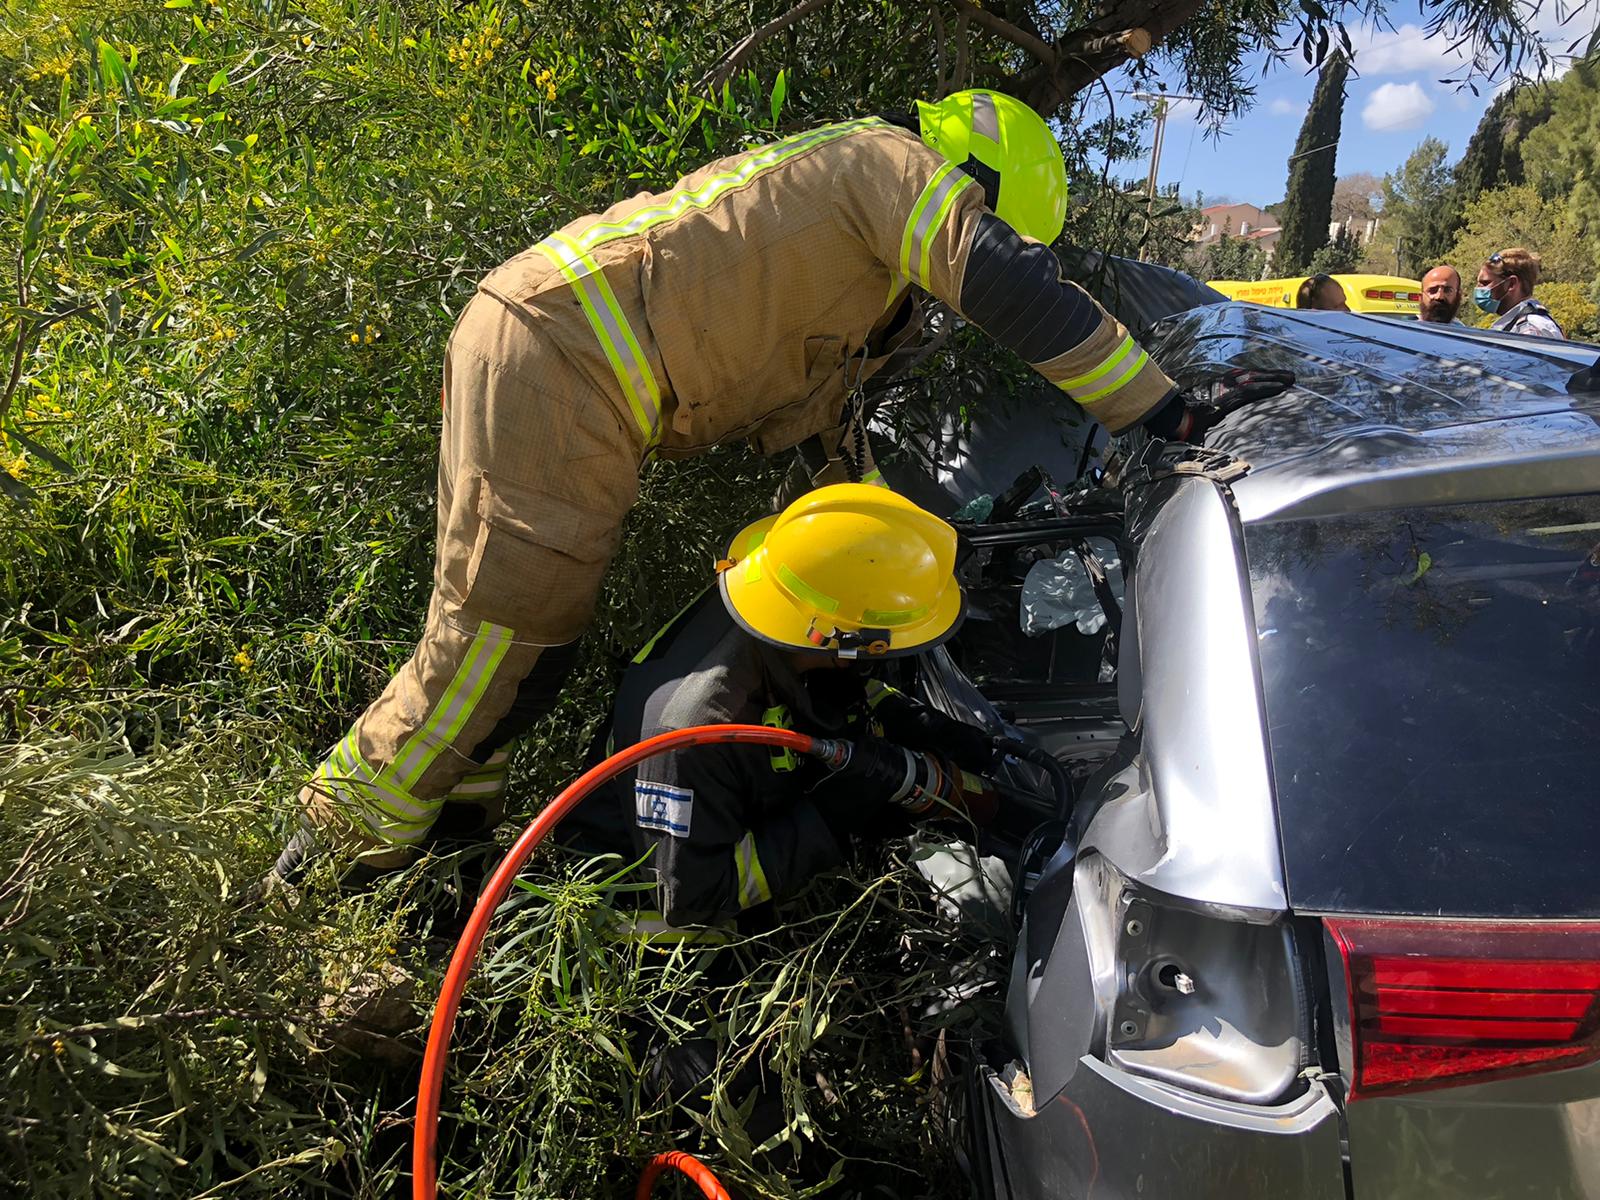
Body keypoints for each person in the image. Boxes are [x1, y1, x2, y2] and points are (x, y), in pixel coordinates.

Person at [273, 90, 1277, 888]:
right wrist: (1159, 412)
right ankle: (315, 871)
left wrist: (923, 586)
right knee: (492, 648)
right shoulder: (886, 169)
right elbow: (1006, 281)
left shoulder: (843, 262)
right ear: (973, 183)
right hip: (559, 357)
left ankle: (442, 855)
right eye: (984, 217)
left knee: (526, 663)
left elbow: (836, 466)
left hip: (564, 359)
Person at [561, 483, 999, 934]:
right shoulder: (694, 731)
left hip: (718, 801)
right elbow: (692, 898)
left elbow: (825, 683)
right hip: (651, 915)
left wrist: (905, 719)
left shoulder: (775, 601)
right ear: (842, 642)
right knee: (712, 938)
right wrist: (825, 819)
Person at [1475, 247, 1565, 337]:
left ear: (1511, 284)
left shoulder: (1529, 329)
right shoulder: (1518, 323)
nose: (1478, 288)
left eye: (1485, 283)